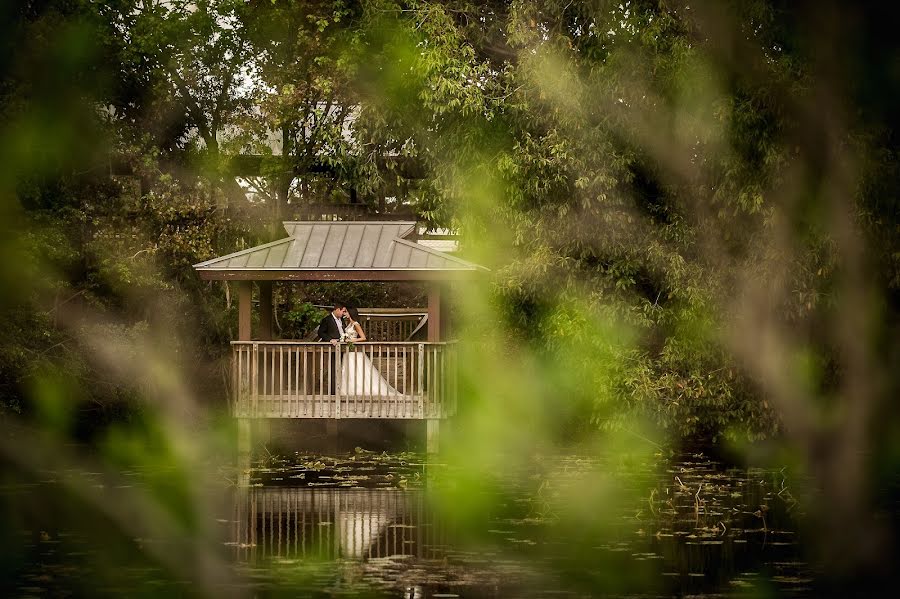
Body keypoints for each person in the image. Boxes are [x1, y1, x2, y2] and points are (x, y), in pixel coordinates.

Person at [341, 307, 400, 397]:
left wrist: (352, 340)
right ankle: (350, 389)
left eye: (347, 312)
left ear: (351, 313)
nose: (345, 314)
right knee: (349, 370)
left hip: (354, 350)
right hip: (348, 351)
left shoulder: (356, 324)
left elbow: (363, 337)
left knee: (358, 370)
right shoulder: (349, 324)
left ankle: (360, 389)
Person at [318, 302, 347, 394]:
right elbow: (321, 332)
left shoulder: (342, 320)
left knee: (343, 367)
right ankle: (333, 391)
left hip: (343, 347)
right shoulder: (326, 320)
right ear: (337, 309)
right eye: (343, 311)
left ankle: (342, 389)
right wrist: (330, 339)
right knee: (334, 369)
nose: (344, 313)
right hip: (334, 348)